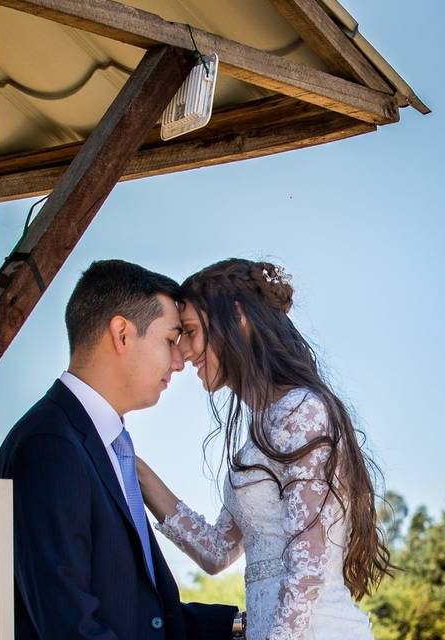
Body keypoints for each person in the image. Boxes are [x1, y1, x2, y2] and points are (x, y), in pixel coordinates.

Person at [136, 258, 391, 640]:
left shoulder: (302, 411)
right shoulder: (263, 428)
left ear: (238, 319)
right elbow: (217, 550)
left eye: (190, 332)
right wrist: (133, 467)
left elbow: (307, 569)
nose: (184, 352)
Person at [0, 260, 240, 640]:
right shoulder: (49, 445)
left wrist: (243, 625)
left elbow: (142, 615)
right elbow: (69, 625)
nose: (179, 361)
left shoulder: (105, 448)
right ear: (122, 334)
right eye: (170, 340)